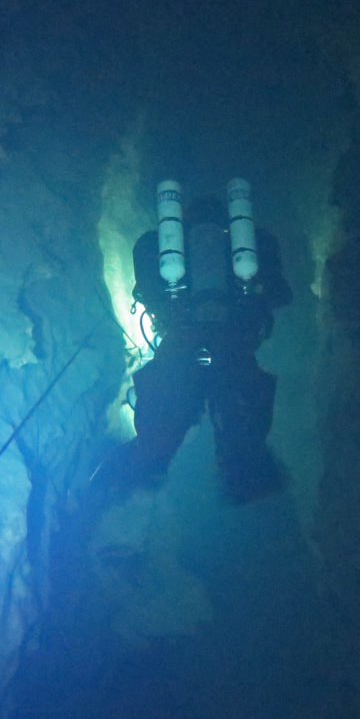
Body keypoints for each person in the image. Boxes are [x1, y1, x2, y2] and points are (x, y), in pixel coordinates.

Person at [103, 190, 292, 503]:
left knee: (160, 424)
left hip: (181, 341)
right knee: (243, 425)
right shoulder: (255, 243)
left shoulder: (155, 246)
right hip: (234, 342)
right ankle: (248, 485)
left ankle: (132, 483)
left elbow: (147, 292)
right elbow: (281, 295)